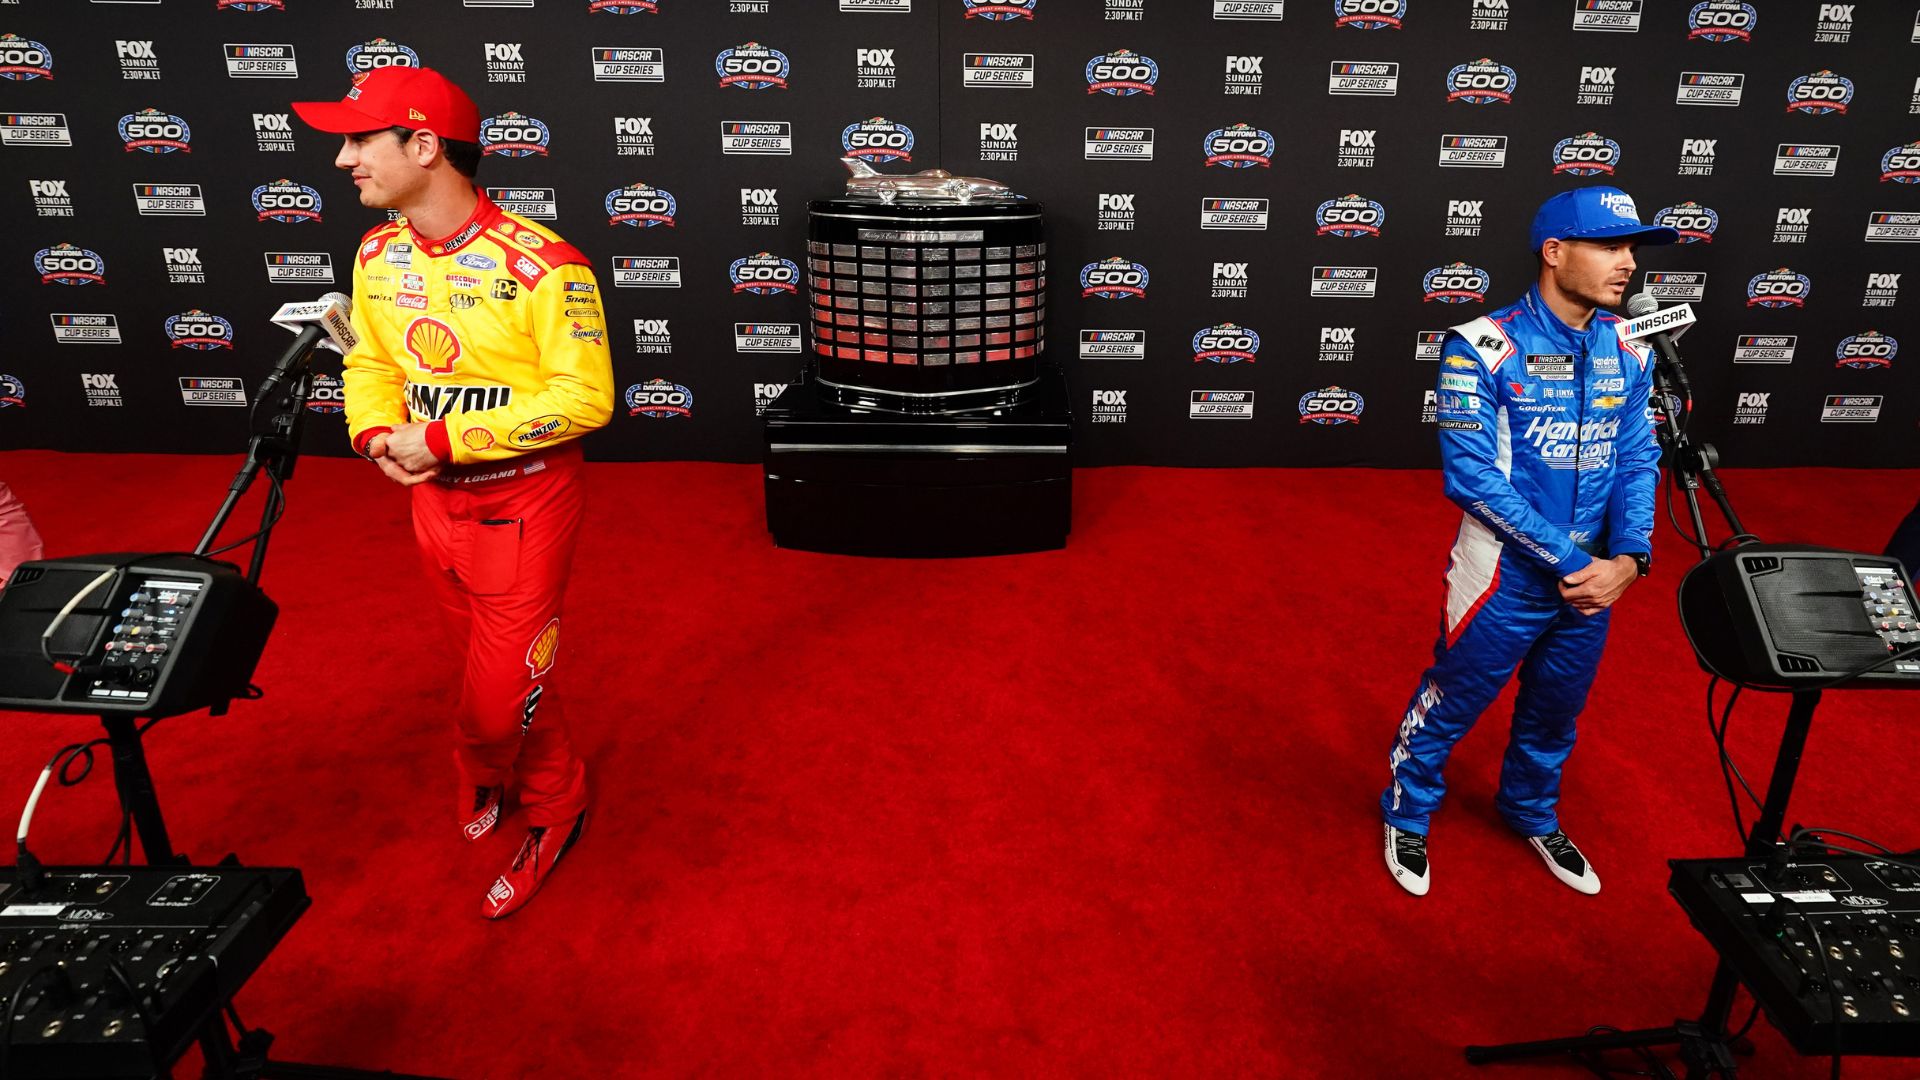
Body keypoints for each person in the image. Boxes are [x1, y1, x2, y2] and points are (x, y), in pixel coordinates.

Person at [293, 67, 614, 919]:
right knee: (482, 671)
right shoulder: (376, 252)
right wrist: (370, 434)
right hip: (432, 508)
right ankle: (497, 772)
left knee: (495, 701)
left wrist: (436, 438)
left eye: (361, 139)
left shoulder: (546, 267)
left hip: (525, 503)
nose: (343, 159)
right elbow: (372, 363)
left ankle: (555, 804)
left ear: (424, 146)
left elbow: (586, 401)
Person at [1380, 186, 1673, 897]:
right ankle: (1407, 809)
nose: (1627, 263)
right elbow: (1472, 479)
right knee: (1454, 698)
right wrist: (1580, 563)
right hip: (1505, 573)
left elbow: (1639, 458)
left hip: (1595, 580)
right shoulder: (1482, 344)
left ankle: (1530, 812)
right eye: (1609, 245)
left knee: (1555, 712)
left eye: (1632, 247)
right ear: (1555, 252)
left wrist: (1632, 558)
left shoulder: (1631, 349)